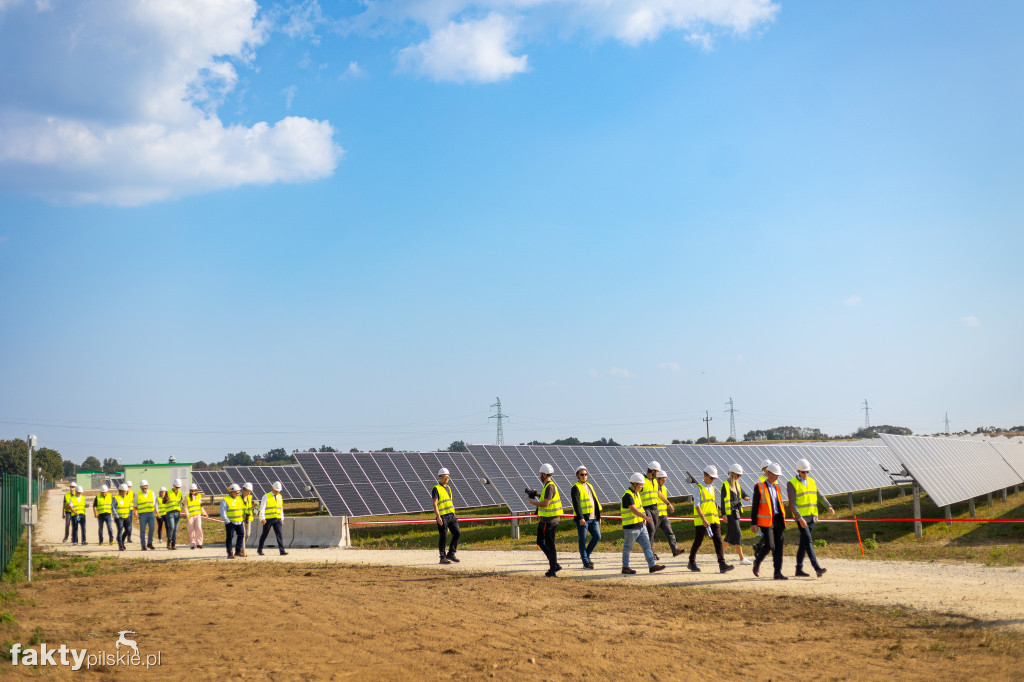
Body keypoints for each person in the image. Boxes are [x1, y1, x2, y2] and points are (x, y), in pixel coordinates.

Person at [787, 458, 835, 578]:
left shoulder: (812, 481)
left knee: (804, 543)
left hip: (812, 517)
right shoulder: (792, 483)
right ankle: (817, 568)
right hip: (802, 518)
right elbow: (792, 504)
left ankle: (798, 569)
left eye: (808, 472)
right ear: (798, 471)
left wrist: (828, 506)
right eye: (803, 472)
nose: (806, 474)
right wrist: (799, 518)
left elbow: (819, 495)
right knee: (808, 541)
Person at [687, 466, 734, 574]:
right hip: (702, 521)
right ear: (705, 475)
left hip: (714, 519)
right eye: (711, 478)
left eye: (714, 478)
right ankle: (691, 561)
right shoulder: (698, 489)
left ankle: (722, 564)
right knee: (698, 541)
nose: (713, 480)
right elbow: (697, 505)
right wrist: (703, 519)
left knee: (718, 540)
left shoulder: (712, 488)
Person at [620, 473, 665, 575]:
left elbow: (640, 507)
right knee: (627, 548)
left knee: (647, 546)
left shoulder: (637, 494)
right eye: (641, 484)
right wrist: (645, 517)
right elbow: (633, 509)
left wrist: (643, 519)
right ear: (635, 483)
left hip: (640, 526)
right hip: (631, 527)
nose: (642, 486)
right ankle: (625, 567)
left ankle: (652, 565)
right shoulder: (628, 495)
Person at [750, 462, 788, 580]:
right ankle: (757, 562)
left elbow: (779, 504)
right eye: (776, 474)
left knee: (779, 546)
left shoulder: (777, 487)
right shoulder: (759, 486)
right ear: (769, 473)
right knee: (770, 544)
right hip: (766, 521)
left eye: (778, 475)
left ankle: (777, 572)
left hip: (778, 519)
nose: (777, 477)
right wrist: (754, 523)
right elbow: (755, 505)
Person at [526, 463, 562, 577]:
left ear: (544, 474)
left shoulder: (550, 486)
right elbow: (546, 497)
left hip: (550, 521)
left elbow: (546, 503)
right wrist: (536, 494)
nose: (539, 476)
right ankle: (555, 565)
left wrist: (534, 503)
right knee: (540, 542)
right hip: (545, 520)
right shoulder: (548, 486)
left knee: (550, 544)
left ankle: (553, 569)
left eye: (540, 474)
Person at [570, 465, 601, 569]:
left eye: (585, 474)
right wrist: (581, 518)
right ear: (577, 475)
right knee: (583, 540)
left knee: (597, 536)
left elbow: (595, 501)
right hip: (584, 519)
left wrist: (598, 516)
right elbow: (576, 504)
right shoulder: (575, 487)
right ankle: (585, 562)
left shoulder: (590, 485)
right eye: (582, 474)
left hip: (593, 518)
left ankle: (586, 555)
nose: (584, 476)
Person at [721, 464, 752, 565]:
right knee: (738, 534)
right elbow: (722, 501)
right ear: (733, 474)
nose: (739, 477)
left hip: (737, 513)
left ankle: (720, 555)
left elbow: (743, 494)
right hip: (730, 514)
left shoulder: (737, 485)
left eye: (740, 476)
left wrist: (746, 497)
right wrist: (723, 514)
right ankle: (742, 558)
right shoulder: (725, 485)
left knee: (730, 535)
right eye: (738, 475)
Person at [651, 470, 684, 558]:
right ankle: (650, 553)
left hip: (663, 515)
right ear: (657, 479)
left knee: (670, 532)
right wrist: (669, 504)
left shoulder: (664, 488)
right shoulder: (653, 487)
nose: (664, 482)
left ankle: (675, 550)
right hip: (655, 515)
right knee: (652, 535)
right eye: (662, 480)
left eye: (665, 480)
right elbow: (659, 495)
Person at [433, 468, 460, 564]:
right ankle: (442, 557)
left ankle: (451, 554)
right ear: (440, 477)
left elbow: (450, 502)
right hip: (443, 516)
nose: (446, 479)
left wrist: (454, 514)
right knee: (443, 536)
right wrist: (438, 516)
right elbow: (435, 503)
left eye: (447, 477)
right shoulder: (436, 488)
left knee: (457, 533)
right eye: (444, 477)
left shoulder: (448, 488)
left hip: (451, 515)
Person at [257, 481, 289, 557]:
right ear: (272, 488)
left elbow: (281, 508)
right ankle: (260, 549)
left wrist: (282, 518)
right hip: (268, 519)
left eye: (278, 490)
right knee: (264, 534)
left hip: (277, 519)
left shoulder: (280, 496)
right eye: (276, 490)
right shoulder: (266, 496)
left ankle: (282, 551)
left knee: (279, 535)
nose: (277, 491)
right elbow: (262, 508)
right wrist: (262, 518)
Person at [640, 460, 662, 559]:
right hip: (645, 508)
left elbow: (659, 493)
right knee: (651, 529)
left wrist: (668, 503)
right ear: (652, 471)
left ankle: (650, 550)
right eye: (657, 471)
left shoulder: (655, 481)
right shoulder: (642, 481)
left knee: (654, 531)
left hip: (655, 508)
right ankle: (649, 553)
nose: (658, 473)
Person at [751, 459, 772, 556]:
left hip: (772, 509)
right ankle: (760, 547)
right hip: (764, 510)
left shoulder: (774, 479)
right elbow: (757, 499)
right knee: (769, 532)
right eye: (766, 469)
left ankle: (759, 546)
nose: (767, 470)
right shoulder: (760, 481)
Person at [221, 484, 246, 558]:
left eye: (239, 492)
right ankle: (229, 552)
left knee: (241, 535)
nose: (238, 494)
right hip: (230, 522)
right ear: (231, 492)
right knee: (229, 537)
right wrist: (227, 521)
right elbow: (223, 512)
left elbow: (242, 508)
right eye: (236, 492)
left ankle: (237, 551)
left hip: (239, 521)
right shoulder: (225, 500)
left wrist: (243, 514)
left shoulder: (239, 499)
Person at [134, 480, 157, 551]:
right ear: (140, 487)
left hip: (150, 513)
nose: (144, 489)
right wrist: (136, 513)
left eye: (145, 488)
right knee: (143, 530)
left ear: (147, 486)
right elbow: (135, 505)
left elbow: (154, 503)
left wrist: (156, 512)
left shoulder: (152, 493)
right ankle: (143, 545)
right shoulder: (137, 495)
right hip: (142, 514)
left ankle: (149, 543)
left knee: (152, 528)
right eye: (143, 488)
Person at [164, 479, 184, 550]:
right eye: (176, 487)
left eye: (178, 487)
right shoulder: (168, 492)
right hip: (170, 512)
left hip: (177, 513)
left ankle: (173, 544)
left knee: (175, 529)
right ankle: (169, 541)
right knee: (171, 527)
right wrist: (166, 499)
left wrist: (182, 502)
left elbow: (181, 503)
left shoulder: (180, 493)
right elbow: (164, 501)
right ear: (173, 485)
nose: (177, 488)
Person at [185, 483, 205, 549]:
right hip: (190, 516)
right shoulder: (187, 497)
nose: (193, 492)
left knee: (199, 528)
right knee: (191, 530)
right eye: (192, 490)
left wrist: (204, 512)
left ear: (196, 490)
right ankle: (192, 544)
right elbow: (186, 507)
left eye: (194, 490)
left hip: (198, 515)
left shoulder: (199, 496)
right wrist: (187, 515)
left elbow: (200, 506)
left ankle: (199, 543)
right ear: (190, 491)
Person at [114, 484, 133, 551]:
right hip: (119, 518)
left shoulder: (127, 497)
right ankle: (120, 545)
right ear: (121, 491)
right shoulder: (115, 498)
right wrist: (116, 515)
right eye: (125, 491)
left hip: (127, 517)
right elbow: (112, 507)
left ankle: (121, 540)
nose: (126, 492)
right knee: (120, 531)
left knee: (128, 530)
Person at [241, 482, 255, 548]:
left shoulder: (250, 498)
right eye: (248, 491)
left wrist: (254, 508)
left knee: (248, 534)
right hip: (241, 519)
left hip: (248, 518)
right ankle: (242, 549)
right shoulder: (239, 498)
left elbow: (249, 508)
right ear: (244, 490)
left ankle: (240, 547)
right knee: (243, 534)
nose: (249, 493)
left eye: (250, 491)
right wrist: (241, 514)